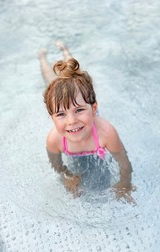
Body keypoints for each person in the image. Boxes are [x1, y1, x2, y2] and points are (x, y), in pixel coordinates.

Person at [38, 41, 136, 204]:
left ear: (94, 108)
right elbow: (57, 164)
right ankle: (42, 58)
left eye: (79, 110)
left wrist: (124, 183)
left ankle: (65, 51)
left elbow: (123, 162)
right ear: (52, 117)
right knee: (50, 82)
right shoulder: (54, 139)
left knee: (77, 76)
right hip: (72, 103)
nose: (71, 121)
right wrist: (68, 176)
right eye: (61, 114)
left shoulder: (106, 132)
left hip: (89, 112)